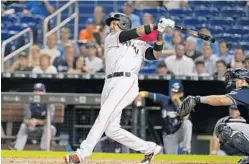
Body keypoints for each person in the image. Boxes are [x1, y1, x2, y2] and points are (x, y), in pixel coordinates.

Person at [64, 13, 176, 164]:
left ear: (123, 23)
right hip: (109, 83)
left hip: (126, 81)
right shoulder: (112, 38)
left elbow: (155, 54)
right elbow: (136, 32)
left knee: (104, 115)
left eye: (114, 23)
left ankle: (81, 154)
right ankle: (150, 148)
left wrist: (160, 33)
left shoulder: (139, 44)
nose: (111, 25)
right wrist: (157, 26)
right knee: (111, 129)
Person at [178, 68, 249, 163]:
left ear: (243, 81)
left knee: (223, 129)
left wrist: (197, 99)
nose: (230, 82)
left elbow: (221, 100)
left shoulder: (246, 91)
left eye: (234, 79)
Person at [136, 83, 192, 154]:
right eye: (173, 92)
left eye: (176, 93)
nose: (174, 94)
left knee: (187, 123)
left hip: (180, 132)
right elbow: (145, 93)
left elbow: (186, 117)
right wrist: (139, 97)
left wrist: (177, 101)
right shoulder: (164, 99)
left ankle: (186, 150)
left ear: (181, 94)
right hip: (169, 135)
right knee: (170, 160)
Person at [14, 83, 56, 151]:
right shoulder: (29, 102)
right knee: (23, 126)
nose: (38, 92)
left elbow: (50, 120)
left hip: (44, 130)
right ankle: (17, 149)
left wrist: (37, 121)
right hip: (32, 129)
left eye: (40, 90)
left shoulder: (49, 103)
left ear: (44, 92)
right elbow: (25, 119)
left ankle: (44, 150)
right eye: (36, 90)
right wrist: (29, 122)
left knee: (50, 128)